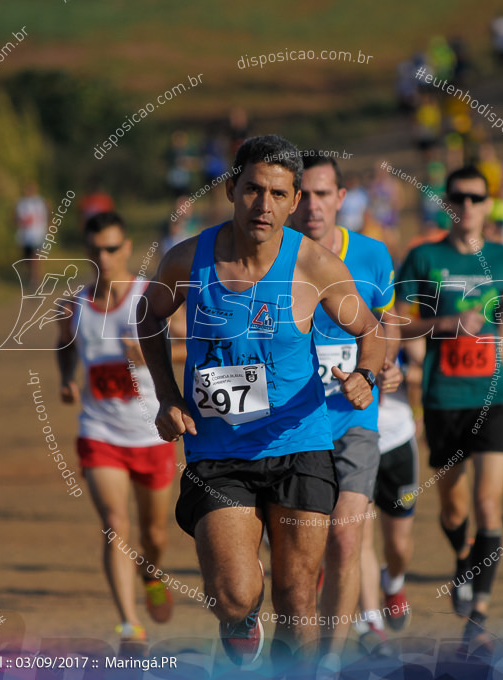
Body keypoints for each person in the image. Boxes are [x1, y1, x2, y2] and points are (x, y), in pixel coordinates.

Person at [136, 135, 387, 669]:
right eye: (252, 189)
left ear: (295, 200)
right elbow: (147, 315)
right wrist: (167, 394)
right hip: (220, 452)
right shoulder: (189, 259)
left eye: (278, 194)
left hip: (300, 445)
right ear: (232, 188)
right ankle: (241, 620)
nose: (263, 205)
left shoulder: (315, 265)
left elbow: (372, 329)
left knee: (298, 599)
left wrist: (365, 374)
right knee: (234, 593)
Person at [395, 165, 503, 652]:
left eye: (477, 198)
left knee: (488, 504)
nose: (468, 206)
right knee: (453, 510)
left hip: (492, 398)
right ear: (448, 204)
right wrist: (449, 323)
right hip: (443, 398)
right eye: (459, 197)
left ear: (489, 204)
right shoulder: (423, 258)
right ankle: (462, 560)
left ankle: (480, 614)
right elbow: (395, 326)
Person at [286, 154, 399, 661]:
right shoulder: (273, 257)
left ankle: (330, 663)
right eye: (304, 194)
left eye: (323, 194)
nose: (313, 205)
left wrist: (381, 369)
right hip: (290, 423)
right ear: (291, 199)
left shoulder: (373, 255)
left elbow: (384, 323)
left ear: (341, 198)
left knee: (346, 539)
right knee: (297, 556)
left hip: (355, 417)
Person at [56, 212, 179, 654]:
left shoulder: (151, 297)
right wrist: (68, 378)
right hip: (99, 430)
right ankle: (130, 626)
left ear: (127, 248)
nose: (104, 258)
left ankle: (151, 572)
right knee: (114, 523)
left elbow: (192, 344)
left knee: (155, 536)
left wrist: (151, 353)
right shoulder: (74, 305)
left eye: (112, 248)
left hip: (151, 434)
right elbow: (63, 344)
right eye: (95, 250)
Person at [355, 347, 418, 653]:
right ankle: (372, 624)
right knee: (360, 537)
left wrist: (401, 371)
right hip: (352, 440)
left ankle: (392, 583)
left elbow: (421, 361)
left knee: (399, 546)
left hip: (397, 441)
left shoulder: (392, 315)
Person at [15, 182, 49, 282]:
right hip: (25, 236)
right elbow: (16, 219)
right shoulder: (21, 203)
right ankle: (33, 276)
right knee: (28, 258)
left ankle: (35, 279)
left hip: (38, 234)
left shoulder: (41, 202)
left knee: (35, 257)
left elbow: (48, 216)